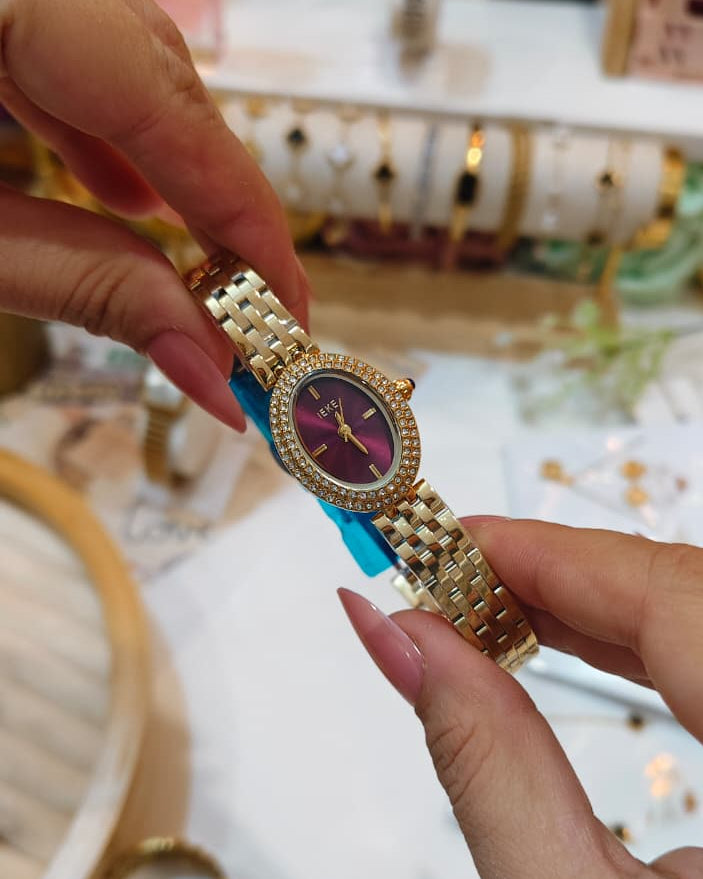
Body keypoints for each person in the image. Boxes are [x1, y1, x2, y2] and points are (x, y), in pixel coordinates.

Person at [1, 2, 701, 876]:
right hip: (360, 456)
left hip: (392, 480)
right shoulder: (312, 420)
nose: (332, 424)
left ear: (385, 395)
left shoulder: (346, 424)